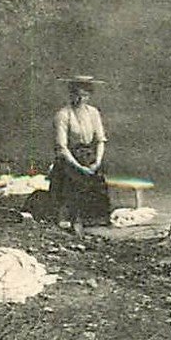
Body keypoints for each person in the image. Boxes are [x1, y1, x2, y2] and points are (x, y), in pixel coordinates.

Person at [48, 75, 112, 235]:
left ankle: (94, 219)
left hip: (89, 156)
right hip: (69, 158)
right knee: (74, 181)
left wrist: (97, 161)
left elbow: (100, 140)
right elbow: (62, 147)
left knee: (97, 180)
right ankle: (74, 219)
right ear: (70, 94)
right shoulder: (63, 115)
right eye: (76, 94)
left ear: (89, 96)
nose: (80, 98)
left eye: (84, 95)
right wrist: (78, 167)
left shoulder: (93, 113)